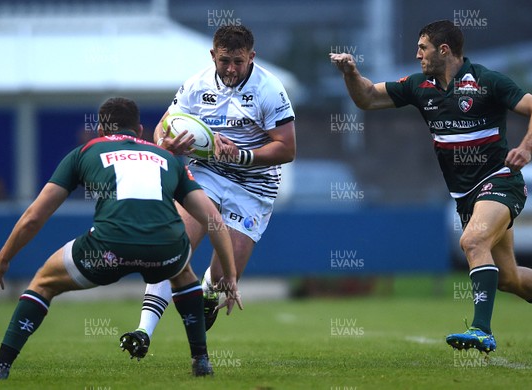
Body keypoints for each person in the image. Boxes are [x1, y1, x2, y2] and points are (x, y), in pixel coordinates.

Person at [0, 97, 242, 380]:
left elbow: (34, 217)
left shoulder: (85, 152)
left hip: (109, 248)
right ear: (139, 130)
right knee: (183, 273)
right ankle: (201, 361)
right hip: (166, 249)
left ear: (101, 129)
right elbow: (214, 220)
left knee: (43, 282)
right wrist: (231, 276)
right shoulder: (167, 158)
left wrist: (4, 259)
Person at [330, 20, 532, 354]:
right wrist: (350, 71)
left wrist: (525, 148)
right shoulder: (417, 85)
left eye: (422, 47)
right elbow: (366, 98)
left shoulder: (486, 80)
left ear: (444, 50)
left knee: (472, 240)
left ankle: (482, 330)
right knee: (508, 278)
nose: (416, 54)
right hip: (467, 196)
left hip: (500, 181)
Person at [123, 24, 296, 359]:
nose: (231, 69)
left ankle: (206, 292)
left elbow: (287, 149)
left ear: (252, 58)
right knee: (174, 248)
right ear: (213, 55)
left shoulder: (270, 89)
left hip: (255, 185)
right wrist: (164, 142)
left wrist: (243, 155)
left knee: (221, 278)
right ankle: (143, 331)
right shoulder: (196, 84)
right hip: (208, 173)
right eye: (225, 61)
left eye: (239, 62)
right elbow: (164, 125)